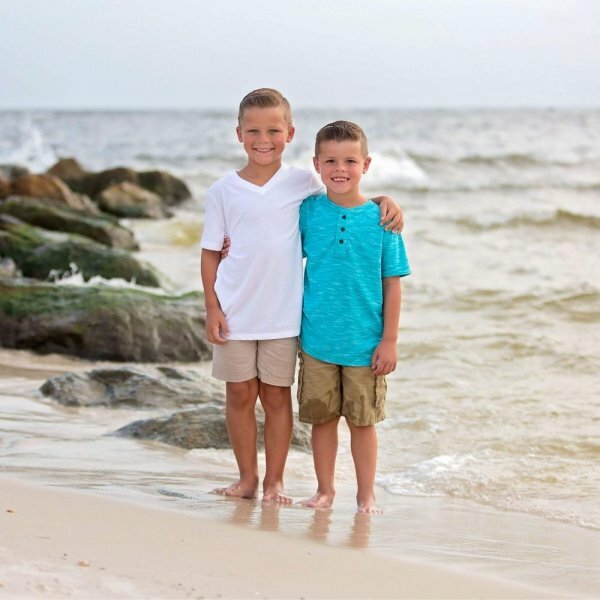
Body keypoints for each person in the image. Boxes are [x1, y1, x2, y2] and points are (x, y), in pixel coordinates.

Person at [200, 89, 403, 504]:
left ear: (289, 133)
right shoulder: (223, 190)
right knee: (239, 395)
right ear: (238, 134)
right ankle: (247, 479)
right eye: (254, 131)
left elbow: (346, 195)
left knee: (277, 397)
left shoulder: (302, 182)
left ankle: (275, 482)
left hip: (284, 317)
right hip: (236, 311)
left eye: (273, 130)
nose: (264, 139)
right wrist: (212, 308)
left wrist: (385, 201)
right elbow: (210, 251)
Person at [298, 120, 411, 513]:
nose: (340, 168)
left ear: (366, 164)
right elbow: (273, 245)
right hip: (316, 340)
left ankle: (366, 495)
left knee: (364, 422)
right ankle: (325, 490)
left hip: (366, 343)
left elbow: (393, 284)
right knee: (322, 419)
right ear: (316, 164)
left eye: (349, 160)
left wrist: (390, 339)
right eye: (330, 160)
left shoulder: (383, 221)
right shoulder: (308, 212)